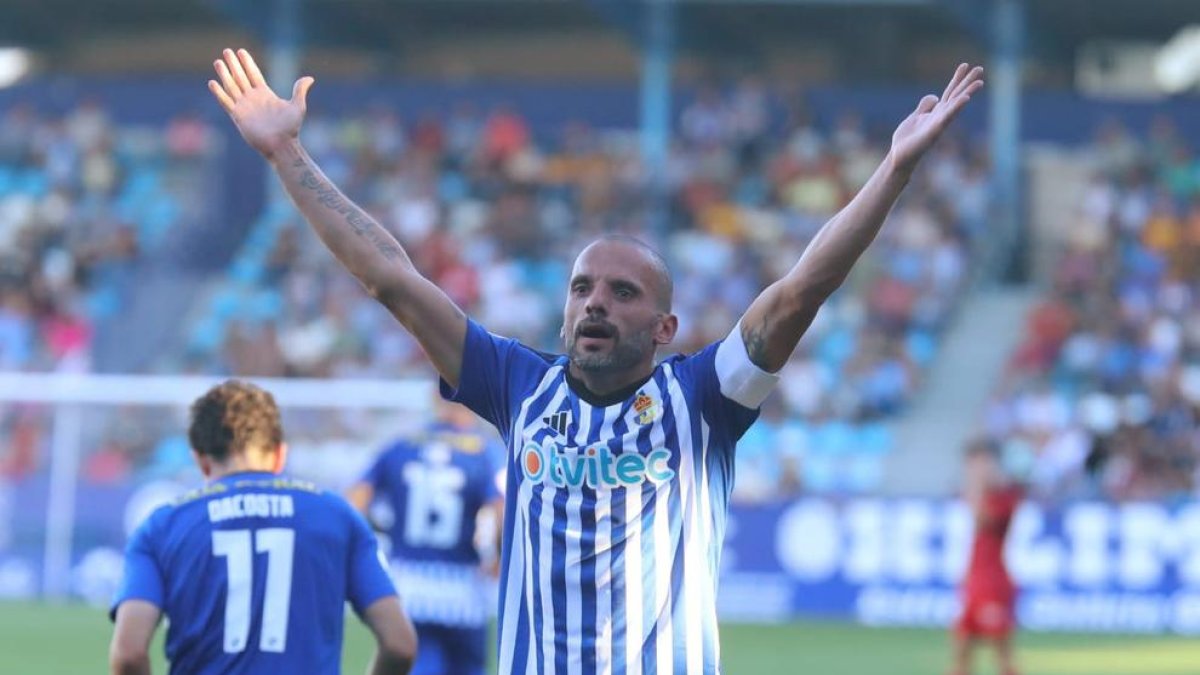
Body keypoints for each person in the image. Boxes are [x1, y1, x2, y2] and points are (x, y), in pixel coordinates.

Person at [209, 47, 984, 673]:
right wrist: (286, 154)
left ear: (664, 325)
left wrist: (894, 172)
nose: (595, 303)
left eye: (622, 291)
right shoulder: (515, 383)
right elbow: (390, 278)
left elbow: (801, 289)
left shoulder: (704, 400)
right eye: (582, 287)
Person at [109, 380, 418, 675]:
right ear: (280, 454)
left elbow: (129, 652)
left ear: (200, 460)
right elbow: (400, 644)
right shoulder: (338, 515)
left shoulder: (164, 525)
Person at [346, 398, 504, 675]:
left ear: (436, 398)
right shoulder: (484, 451)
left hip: (409, 589)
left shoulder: (402, 444)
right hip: (464, 590)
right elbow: (500, 510)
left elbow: (354, 502)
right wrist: (498, 556)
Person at [950, 439, 1025, 675]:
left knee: (1001, 652)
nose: (977, 469)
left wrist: (975, 488)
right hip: (974, 579)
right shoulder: (978, 494)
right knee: (962, 649)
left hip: (995, 581)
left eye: (982, 462)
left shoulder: (1006, 496)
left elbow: (985, 522)